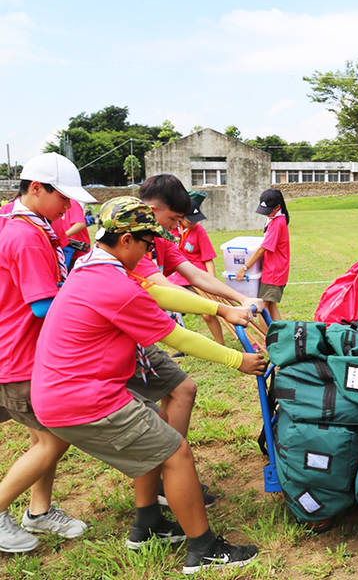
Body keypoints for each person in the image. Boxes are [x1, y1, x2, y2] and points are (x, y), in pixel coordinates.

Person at [30, 197, 265, 573]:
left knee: (152, 432)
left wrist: (221, 308)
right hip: (81, 397)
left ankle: (148, 525)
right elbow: (177, 337)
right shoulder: (113, 285)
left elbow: (158, 293)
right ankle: (203, 550)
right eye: (145, 242)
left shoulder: (92, 265)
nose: (149, 249)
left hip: (68, 388)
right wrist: (238, 360)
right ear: (124, 239)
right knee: (175, 454)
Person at [130, 174, 264, 508]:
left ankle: (169, 478)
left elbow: (194, 274)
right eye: (174, 219)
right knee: (52, 439)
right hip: (123, 337)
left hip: (141, 335)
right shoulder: (131, 241)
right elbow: (164, 291)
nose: (177, 227)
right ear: (152, 209)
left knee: (182, 390)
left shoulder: (159, 237)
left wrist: (238, 298)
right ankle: (166, 479)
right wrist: (220, 311)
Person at [0, 153, 94, 553]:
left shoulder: (16, 218)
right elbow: (42, 306)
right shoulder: (26, 236)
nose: (68, 207)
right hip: (20, 354)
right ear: (35, 188)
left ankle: (38, 512)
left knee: (48, 435)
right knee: (54, 439)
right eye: (63, 197)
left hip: (13, 345)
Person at [167, 191, 223, 344]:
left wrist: (212, 284)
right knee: (174, 313)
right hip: (175, 278)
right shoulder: (169, 230)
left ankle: (220, 344)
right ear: (180, 218)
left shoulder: (199, 231)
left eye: (196, 220)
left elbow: (208, 259)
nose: (194, 223)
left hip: (198, 276)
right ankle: (182, 346)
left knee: (208, 313)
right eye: (190, 220)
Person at [235, 188, 290, 321]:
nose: (267, 214)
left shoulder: (277, 222)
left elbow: (263, 249)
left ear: (277, 207)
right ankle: (277, 337)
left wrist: (244, 267)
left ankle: (266, 340)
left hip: (274, 271)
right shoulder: (275, 219)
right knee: (271, 306)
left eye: (269, 210)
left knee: (263, 307)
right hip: (274, 269)